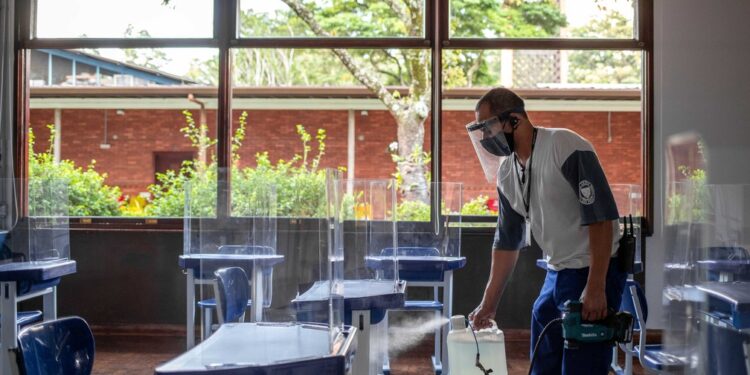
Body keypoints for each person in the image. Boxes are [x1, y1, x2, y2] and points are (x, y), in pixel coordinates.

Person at [465, 87, 627, 374]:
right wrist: (488, 304)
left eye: (488, 127)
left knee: (581, 363)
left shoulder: (564, 145)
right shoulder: (507, 172)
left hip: (593, 269)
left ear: (514, 119)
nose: (486, 138)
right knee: (543, 350)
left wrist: (595, 287)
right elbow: (507, 242)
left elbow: (601, 219)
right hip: (558, 272)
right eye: (481, 131)